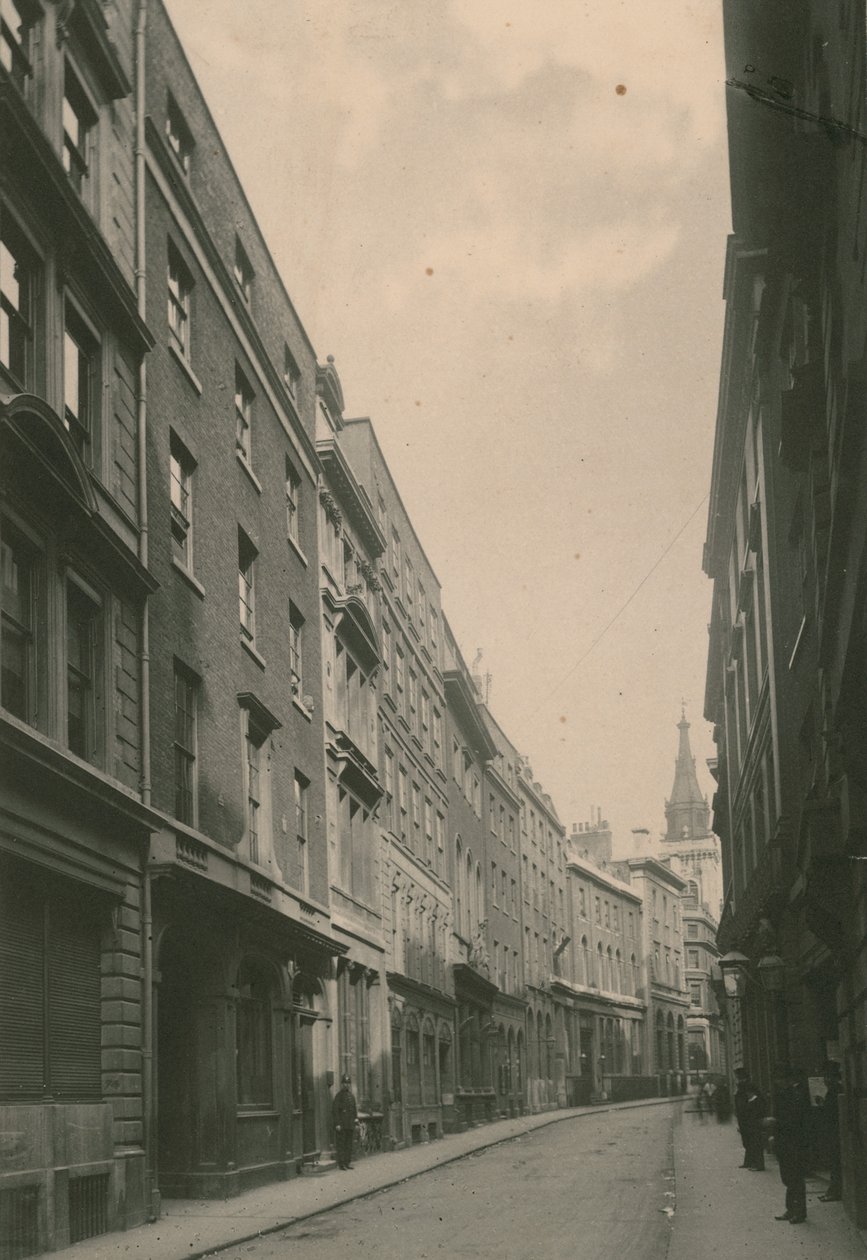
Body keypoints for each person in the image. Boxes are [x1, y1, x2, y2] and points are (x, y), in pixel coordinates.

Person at [770, 1062, 811, 1224]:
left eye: (779, 1079)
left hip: (793, 1143)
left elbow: (794, 1121)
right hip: (785, 1142)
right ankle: (791, 1209)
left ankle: (799, 1212)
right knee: (788, 1177)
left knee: (795, 1178)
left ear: (786, 1079)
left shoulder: (795, 1095)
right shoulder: (785, 1094)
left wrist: (774, 1122)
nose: (776, 1082)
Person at [817, 1062, 842, 1202]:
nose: (825, 1080)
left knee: (835, 1163)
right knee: (834, 1163)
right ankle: (832, 1190)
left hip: (834, 1133)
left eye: (827, 1076)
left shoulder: (835, 1090)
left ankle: (834, 1192)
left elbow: (831, 1112)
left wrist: (822, 1106)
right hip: (832, 1132)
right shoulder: (834, 1089)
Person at [734, 1068, 766, 1170]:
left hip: (751, 1119)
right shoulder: (741, 1087)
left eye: (739, 1077)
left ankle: (758, 1164)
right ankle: (749, 1162)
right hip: (744, 1119)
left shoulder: (749, 1086)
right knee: (747, 1141)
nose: (738, 1080)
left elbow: (757, 1102)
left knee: (754, 1141)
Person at [332, 1073, 358, 1170]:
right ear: (342, 1084)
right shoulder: (338, 1096)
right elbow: (335, 1111)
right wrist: (337, 1124)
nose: (346, 1085)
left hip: (350, 1124)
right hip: (342, 1125)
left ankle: (347, 1162)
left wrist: (356, 1119)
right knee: (341, 1144)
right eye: (344, 1083)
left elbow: (354, 1109)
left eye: (348, 1083)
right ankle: (341, 1164)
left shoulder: (351, 1096)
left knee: (348, 1144)